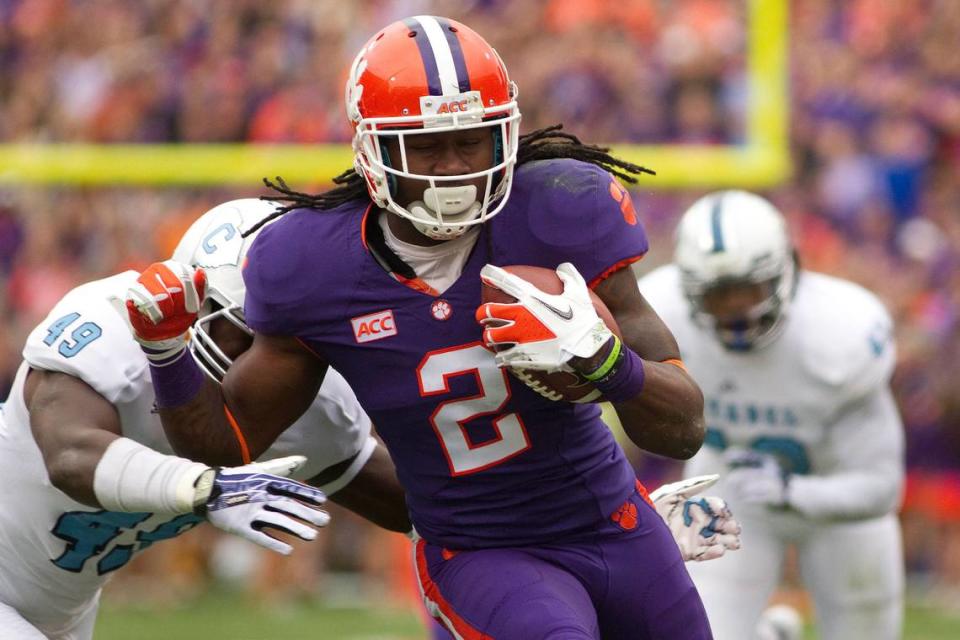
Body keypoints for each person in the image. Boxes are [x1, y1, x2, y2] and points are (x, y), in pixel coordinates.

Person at [126, 16, 712, 639]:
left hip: (615, 524)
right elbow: (229, 441)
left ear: (506, 136)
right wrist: (167, 353)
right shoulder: (310, 266)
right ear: (373, 151)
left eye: (472, 140)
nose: (454, 168)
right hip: (482, 552)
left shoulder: (561, 207)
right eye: (426, 146)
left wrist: (604, 364)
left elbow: (684, 428)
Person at [0, 198, 409, 640]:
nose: (274, 365)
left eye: (294, 346)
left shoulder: (310, 403)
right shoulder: (113, 326)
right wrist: (202, 487)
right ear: (196, 309)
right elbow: (69, 457)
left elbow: (419, 509)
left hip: (64, 610)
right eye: (255, 336)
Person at [637, 190, 905, 640]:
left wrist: (793, 491)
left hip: (837, 507)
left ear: (787, 270)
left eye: (747, 290)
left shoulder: (840, 336)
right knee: (706, 634)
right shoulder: (661, 314)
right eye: (715, 297)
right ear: (688, 290)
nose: (734, 313)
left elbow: (881, 488)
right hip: (731, 497)